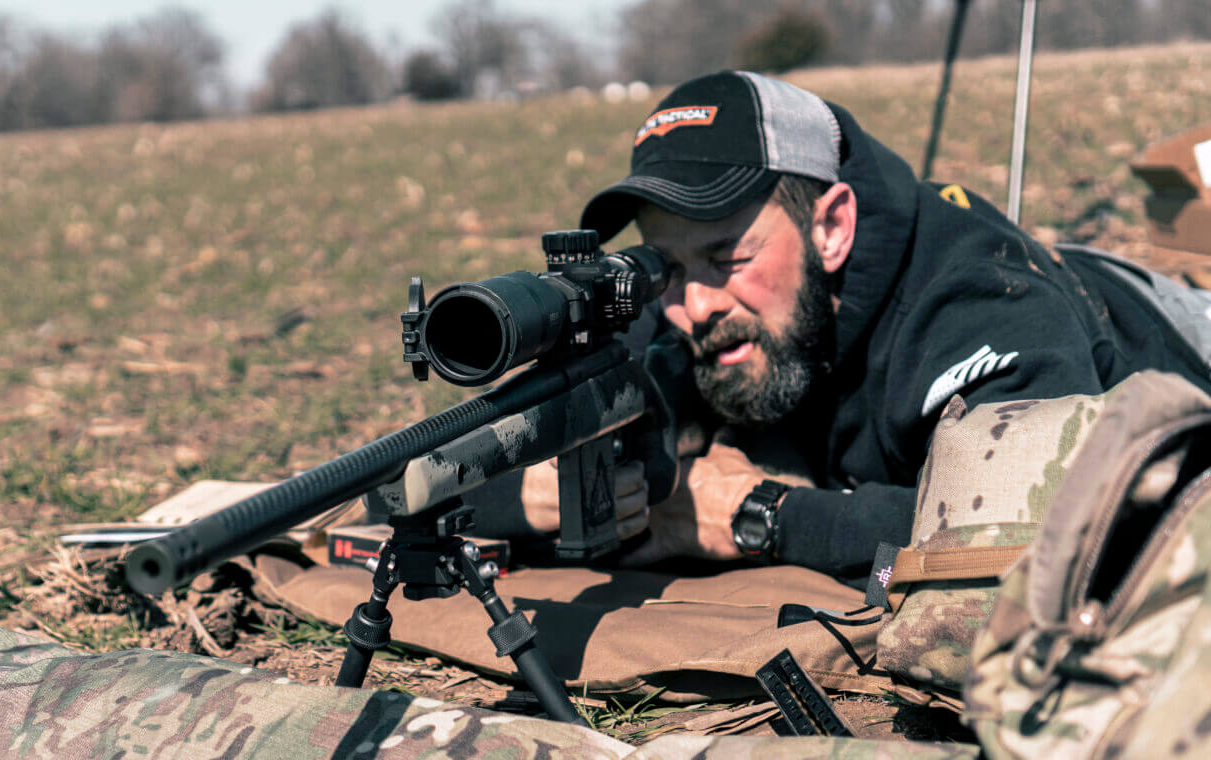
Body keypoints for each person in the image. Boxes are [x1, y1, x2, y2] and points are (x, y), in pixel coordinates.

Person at [479, 70, 1211, 584]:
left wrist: (758, 515)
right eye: (664, 265)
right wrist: (540, 493)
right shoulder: (683, 295)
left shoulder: (976, 305)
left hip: (1158, 323)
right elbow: (440, 471)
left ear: (831, 228)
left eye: (728, 256)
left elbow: (1052, 538)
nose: (695, 307)